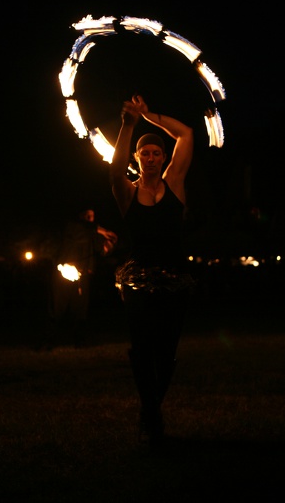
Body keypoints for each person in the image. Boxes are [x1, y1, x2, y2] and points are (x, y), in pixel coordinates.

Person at [109, 94, 195, 447]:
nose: (151, 156)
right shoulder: (127, 193)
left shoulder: (174, 184)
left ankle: (151, 409)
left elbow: (187, 134)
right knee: (142, 348)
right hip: (138, 280)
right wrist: (128, 126)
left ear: (164, 158)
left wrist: (147, 115)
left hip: (174, 278)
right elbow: (114, 170)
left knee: (167, 350)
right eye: (144, 152)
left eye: (157, 152)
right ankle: (151, 412)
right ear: (137, 159)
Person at [49, 207, 117, 348]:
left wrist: (110, 244)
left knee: (80, 309)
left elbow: (102, 251)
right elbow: (83, 229)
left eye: (92, 216)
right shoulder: (72, 228)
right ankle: (52, 339)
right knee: (59, 307)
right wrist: (102, 230)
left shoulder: (92, 233)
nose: (90, 219)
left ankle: (78, 340)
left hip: (83, 275)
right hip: (65, 273)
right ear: (80, 216)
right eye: (87, 216)